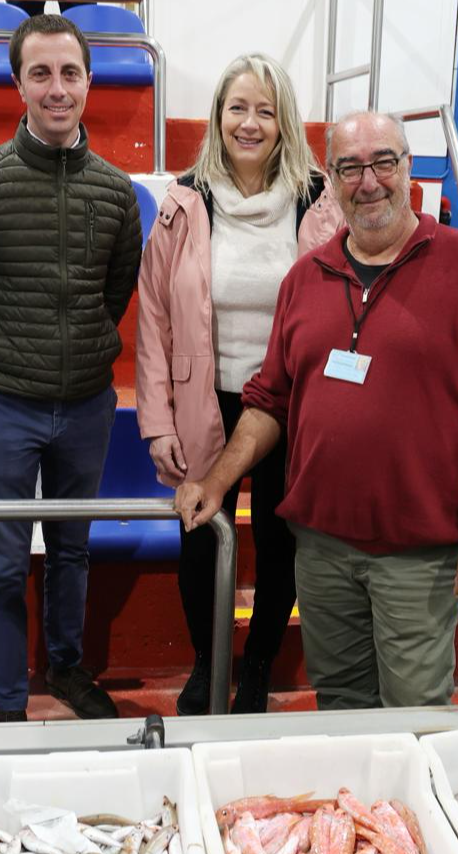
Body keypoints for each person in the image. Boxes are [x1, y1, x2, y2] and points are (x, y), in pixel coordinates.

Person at [175, 111, 458, 710]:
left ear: (408, 168)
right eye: (349, 167)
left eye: (383, 162)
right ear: (331, 180)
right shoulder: (305, 277)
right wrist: (217, 482)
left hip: (417, 553)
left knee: (413, 711)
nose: (368, 181)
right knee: (340, 702)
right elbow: (270, 399)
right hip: (321, 548)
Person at [0, 12, 142, 723]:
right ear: (18, 85)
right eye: (41, 73)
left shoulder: (116, 192)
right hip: (5, 406)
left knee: (73, 551)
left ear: (89, 81)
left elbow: (115, 291)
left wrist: (73, 346)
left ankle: (66, 667)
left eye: (70, 73)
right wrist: (2, 349)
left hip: (87, 404)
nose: (57, 88)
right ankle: (6, 705)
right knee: (3, 559)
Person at [135, 54, 340, 716]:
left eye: (265, 111)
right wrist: (158, 422)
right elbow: (154, 317)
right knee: (200, 537)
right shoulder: (184, 200)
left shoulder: (319, 201)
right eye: (237, 108)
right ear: (218, 116)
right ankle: (208, 660)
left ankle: (256, 667)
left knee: (281, 545)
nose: (250, 123)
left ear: (285, 122)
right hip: (206, 399)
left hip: (291, 406)